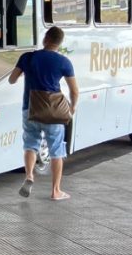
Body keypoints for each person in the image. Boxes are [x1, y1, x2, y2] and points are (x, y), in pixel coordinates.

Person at [9, 26, 79, 201]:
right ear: (59, 43)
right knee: (56, 151)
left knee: (30, 145)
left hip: (30, 109)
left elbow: (11, 80)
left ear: (46, 38)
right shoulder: (64, 62)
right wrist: (72, 108)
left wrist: (27, 72)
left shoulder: (28, 57)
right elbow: (74, 91)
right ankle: (56, 191)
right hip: (53, 113)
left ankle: (30, 176)